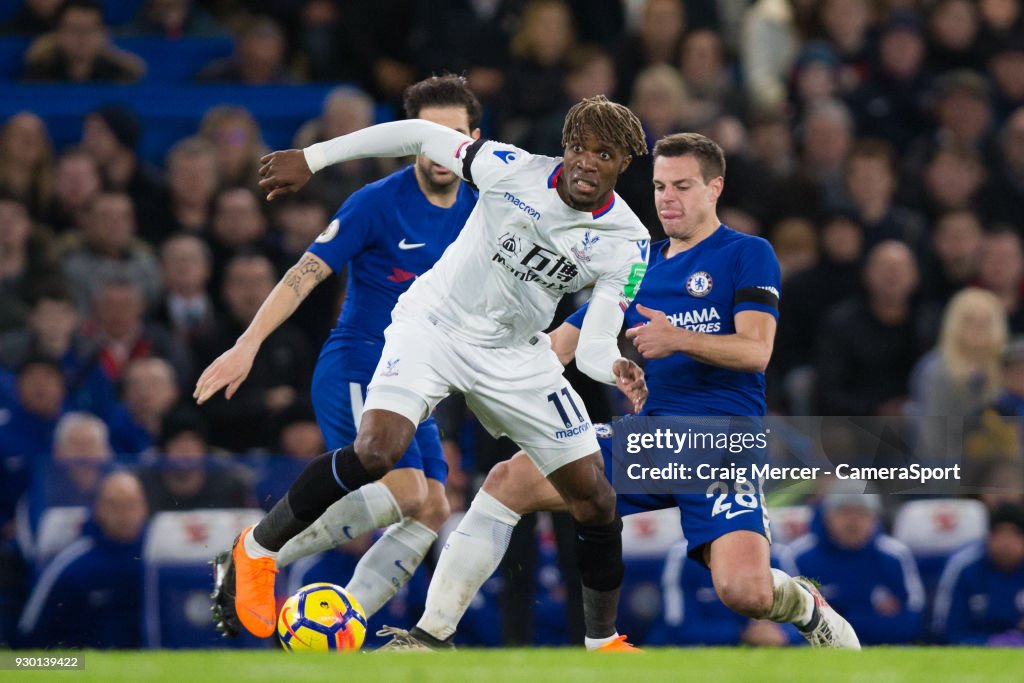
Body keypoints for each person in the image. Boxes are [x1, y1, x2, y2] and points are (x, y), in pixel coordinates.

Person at [364, 133, 859, 650]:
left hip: (722, 445)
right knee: (508, 479)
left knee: (745, 592)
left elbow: (757, 351)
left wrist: (677, 339)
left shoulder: (746, 253)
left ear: (715, 188)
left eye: (683, 186)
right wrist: (458, 368)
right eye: (660, 185)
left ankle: (804, 603)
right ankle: (431, 635)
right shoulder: (637, 261)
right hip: (648, 439)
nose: (667, 197)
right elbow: (561, 344)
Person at [197, 92, 651, 650]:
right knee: (378, 452)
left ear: (623, 163)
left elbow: (595, 341)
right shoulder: (508, 168)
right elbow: (416, 132)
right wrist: (314, 159)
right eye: (578, 147)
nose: (586, 162)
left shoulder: (628, 242)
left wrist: (614, 365)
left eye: (603, 154)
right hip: (432, 327)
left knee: (594, 497)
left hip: (515, 356)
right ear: (563, 147)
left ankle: (601, 643)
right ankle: (257, 551)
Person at [197, 75, 482, 623]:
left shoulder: (483, 208)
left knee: (431, 507)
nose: (444, 147)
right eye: (431, 134)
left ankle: (339, 626)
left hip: (420, 380)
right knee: (402, 491)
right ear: (410, 139)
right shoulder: (377, 202)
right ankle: (252, 553)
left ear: (475, 138)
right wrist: (248, 343)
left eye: (456, 135)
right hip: (360, 364)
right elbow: (304, 274)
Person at [933, 502, 1024, 644]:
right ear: (988, 536)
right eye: (999, 533)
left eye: (1015, 534)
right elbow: (947, 631)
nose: (1006, 543)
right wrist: (990, 643)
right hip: (973, 655)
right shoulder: (963, 566)